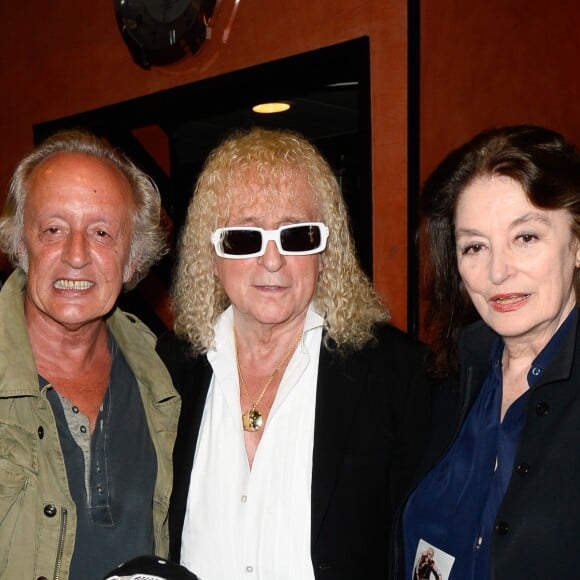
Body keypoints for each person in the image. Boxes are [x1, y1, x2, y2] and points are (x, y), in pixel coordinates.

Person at [156, 127, 432, 580]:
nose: (272, 261)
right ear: (212, 253)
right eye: (244, 237)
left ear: (327, 251)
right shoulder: (168, 367)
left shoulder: (398, 375)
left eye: (297, 235)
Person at [395, 125, 580, 580]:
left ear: (576, 244)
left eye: (527, 237)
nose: (498, 271)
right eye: (475, 246)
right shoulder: (449, 374)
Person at [0, 129, 180, 579]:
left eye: (101, 232)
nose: (76, 255)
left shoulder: (166, 377)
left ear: (132, 257)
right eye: (54, 229)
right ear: (21, 244)